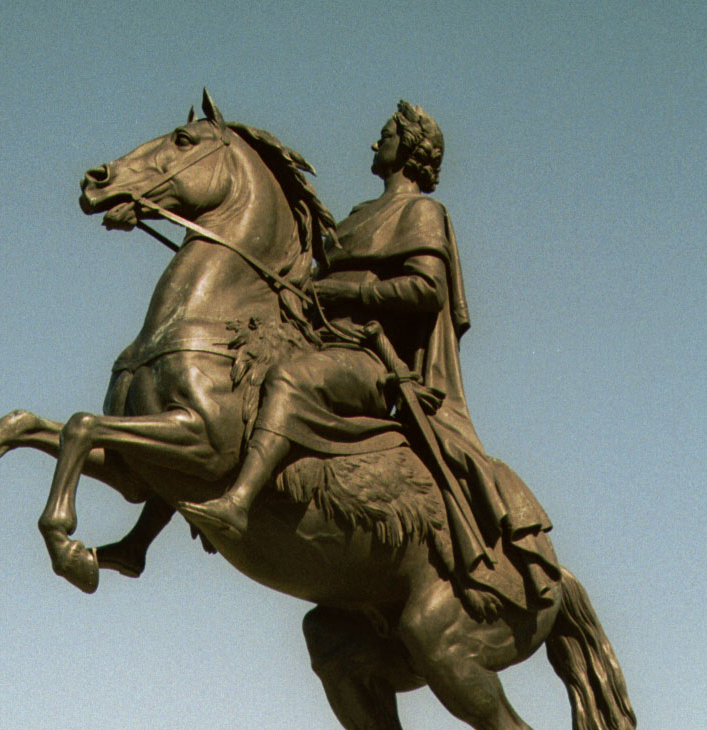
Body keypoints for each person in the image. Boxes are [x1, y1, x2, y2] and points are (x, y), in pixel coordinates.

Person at [179, 101, 557, 615]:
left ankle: (240, 501)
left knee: (290, 379)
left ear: (412, 150)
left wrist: (349, 290)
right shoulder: (359, 215)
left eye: (385, 135)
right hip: (328, 345)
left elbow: (426, 289)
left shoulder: (421, 212)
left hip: (373, 361)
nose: (375, 144)